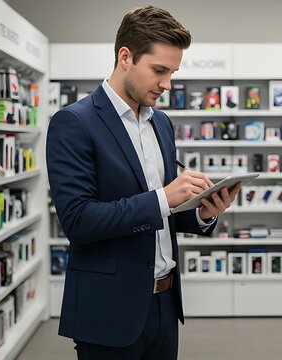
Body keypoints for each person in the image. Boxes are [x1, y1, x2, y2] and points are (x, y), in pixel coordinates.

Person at [46, 6, 242, 359]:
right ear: (125, 57)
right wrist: (163, 198)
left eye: (173, 72)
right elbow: (78, 221)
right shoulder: (74, 123)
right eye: (159, 71)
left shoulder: (161, 124)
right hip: (109, 311)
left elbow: (166, 213)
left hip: (165, 306)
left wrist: (203, 211)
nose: (167, 84)